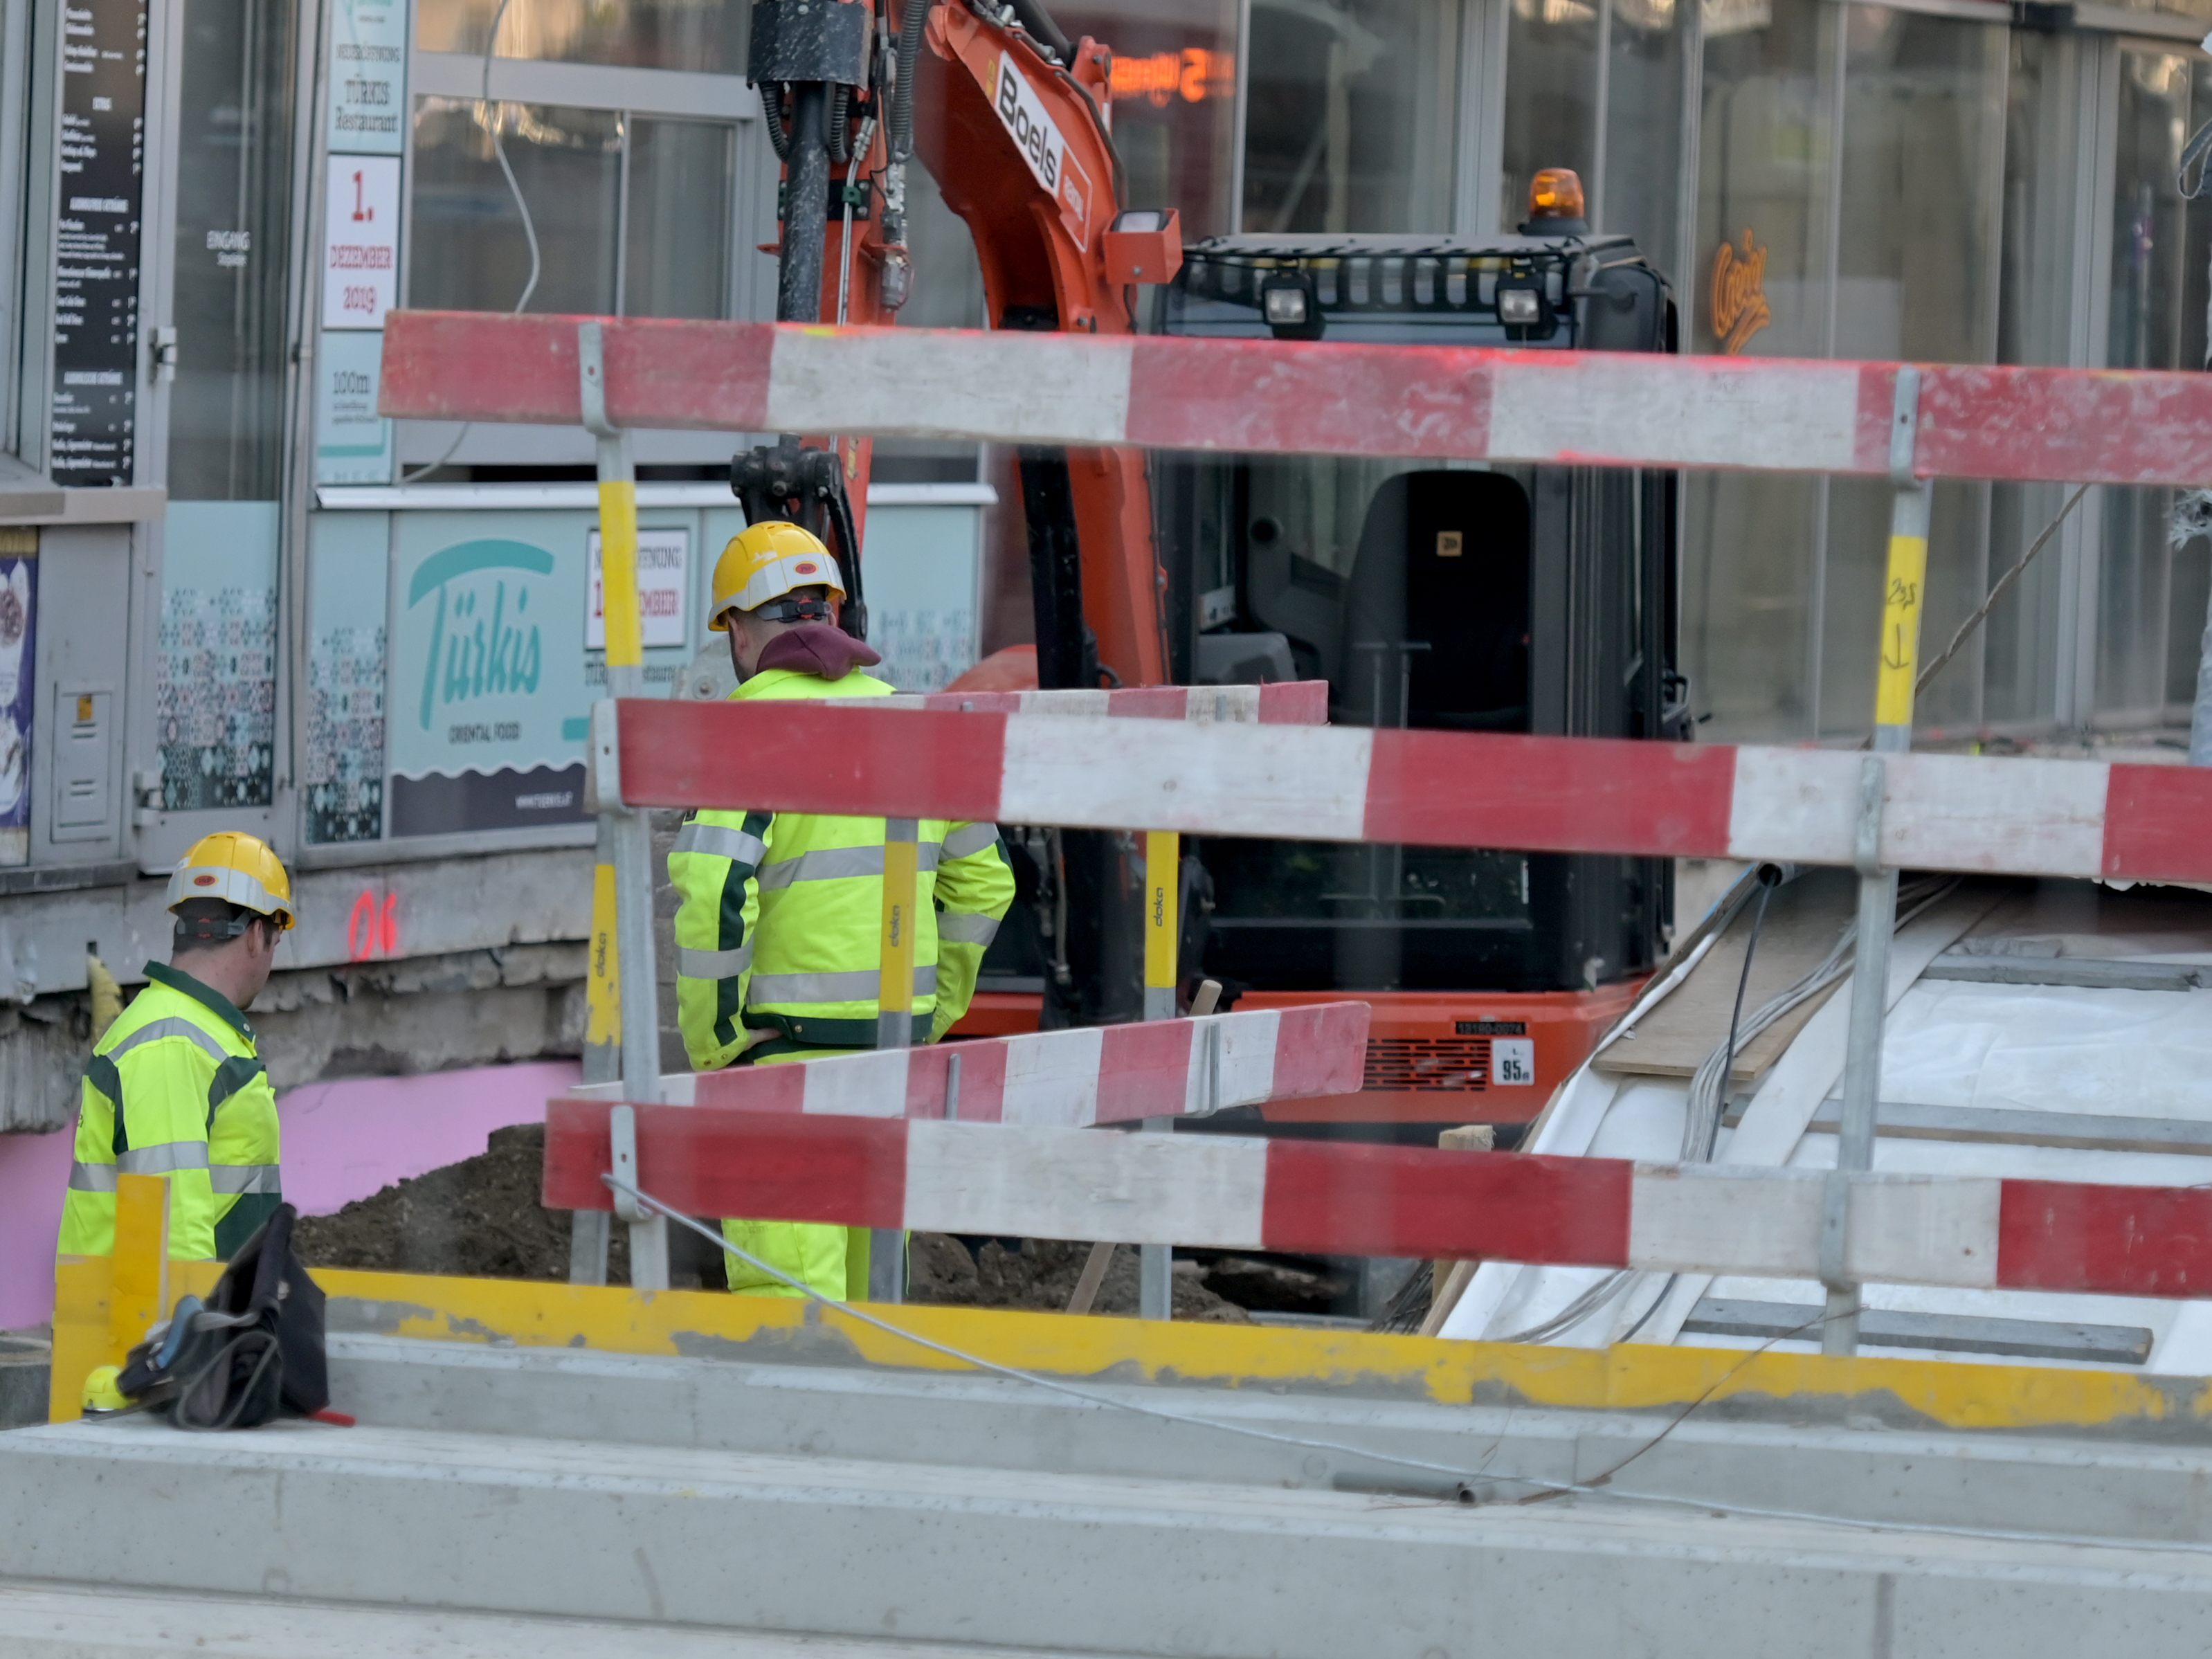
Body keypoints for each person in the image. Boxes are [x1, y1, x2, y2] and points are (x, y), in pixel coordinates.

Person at [670, 521, 1015, 1300]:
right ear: (830, 612)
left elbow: (716, 891)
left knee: (787, 1316)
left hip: (785, 1062)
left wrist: (717, 1035)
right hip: (892, 1056)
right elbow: (987, 884)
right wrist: (931, 1009)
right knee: (872, 1313)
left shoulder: (742, 734)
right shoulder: (920, 725)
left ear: (739, 630)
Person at [57, 831, 293, 1260]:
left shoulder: (187, 1032)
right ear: (258, 935)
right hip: (160, 1322)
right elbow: (173, 1239)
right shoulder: (172, 1043)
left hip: (188, 1316)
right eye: (277, 942)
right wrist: (199, 1326)